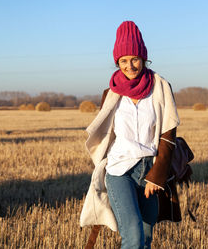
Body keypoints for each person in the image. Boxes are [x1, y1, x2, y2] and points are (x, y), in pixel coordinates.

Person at [80, 21, 182, 249]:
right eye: (123, 61)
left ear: (144, 58)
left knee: (145, 239)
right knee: (133, 238)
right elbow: (105, 135)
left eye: (134, 59)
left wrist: (157, 174)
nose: (130, 66)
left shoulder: (161, 87)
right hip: (119, 172)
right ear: (117, 62)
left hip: (150, 171)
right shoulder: (111, 94)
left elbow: (168, 133)